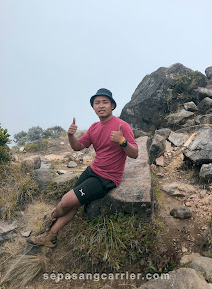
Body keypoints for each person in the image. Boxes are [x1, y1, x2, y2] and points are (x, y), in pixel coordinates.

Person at [27, 88, 138, 248]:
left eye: (105, 102)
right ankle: (50, 236)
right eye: (97, 103)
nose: (101, 105)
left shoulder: (122, 126)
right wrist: (71, 136)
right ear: (93, 107)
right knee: (73, 203)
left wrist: (122, 141)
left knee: (66, 201)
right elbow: (78, 147)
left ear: (112, 105)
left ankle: (49, 220)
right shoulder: (94, 127)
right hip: (92, 170)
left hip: (107, 178)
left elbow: (134, 154)